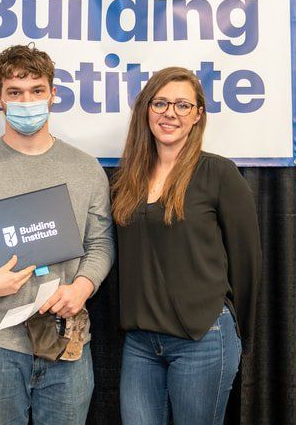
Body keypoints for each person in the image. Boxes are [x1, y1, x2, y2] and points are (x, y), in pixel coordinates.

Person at [0, 44, 115, 425]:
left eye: (37, 90)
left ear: (53, 95)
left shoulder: (85, 170)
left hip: (67, 338)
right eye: (15, 92)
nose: (27, 101)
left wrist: (82, 288)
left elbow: (101, 244)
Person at [111, 67, 262, 425]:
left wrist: (239, 333)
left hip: (203, 340)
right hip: (141, 344)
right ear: (146, 109)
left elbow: (247, 261)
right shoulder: (126, 178)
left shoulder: (219, 174)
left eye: (182, 105)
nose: (170, 114)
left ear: (197, 115)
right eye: (160, 103)